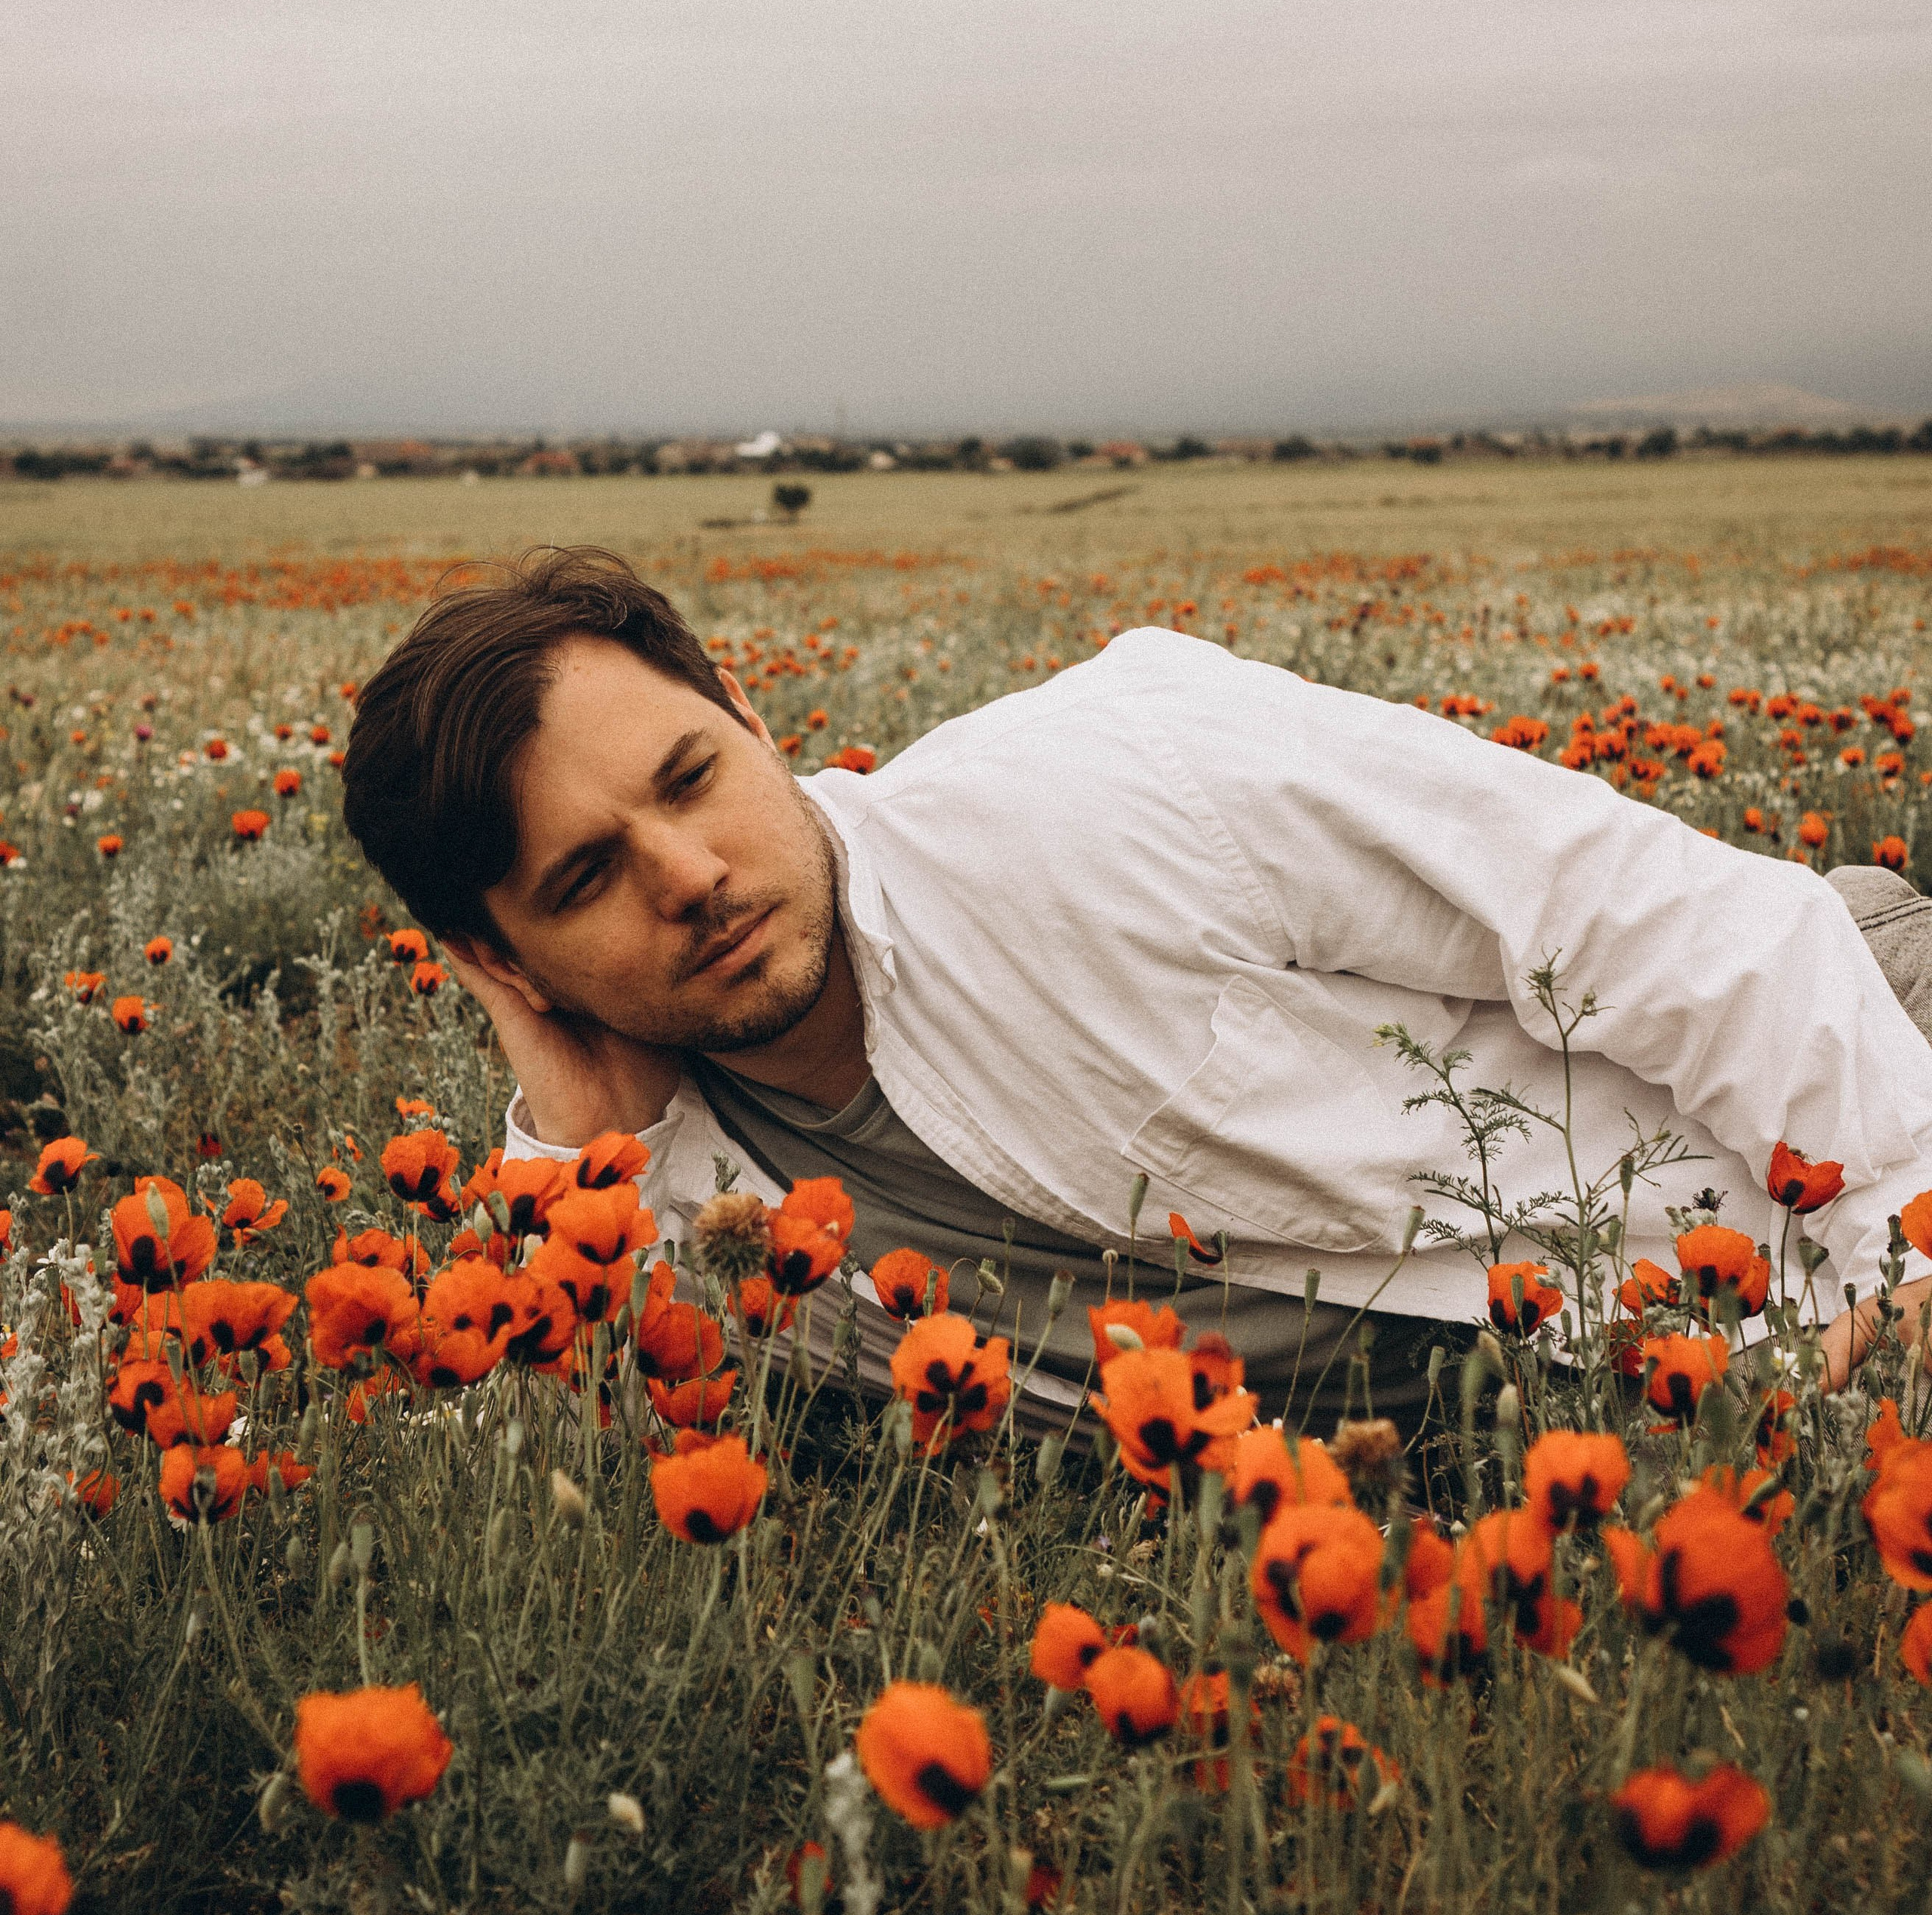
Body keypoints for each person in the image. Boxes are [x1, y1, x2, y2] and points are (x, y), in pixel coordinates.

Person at [341, 546, 1932, 1435]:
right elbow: (537, 1474)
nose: (685, 873)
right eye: (582, 882)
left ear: (749, 712)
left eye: (690, 776)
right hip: (1620, 1394)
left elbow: (1633, 917)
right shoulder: (687, 1193)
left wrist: (1899, 1241)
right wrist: (569, 1150)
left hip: (1833, 1076)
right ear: (499, 961)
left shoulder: (1112, 778)